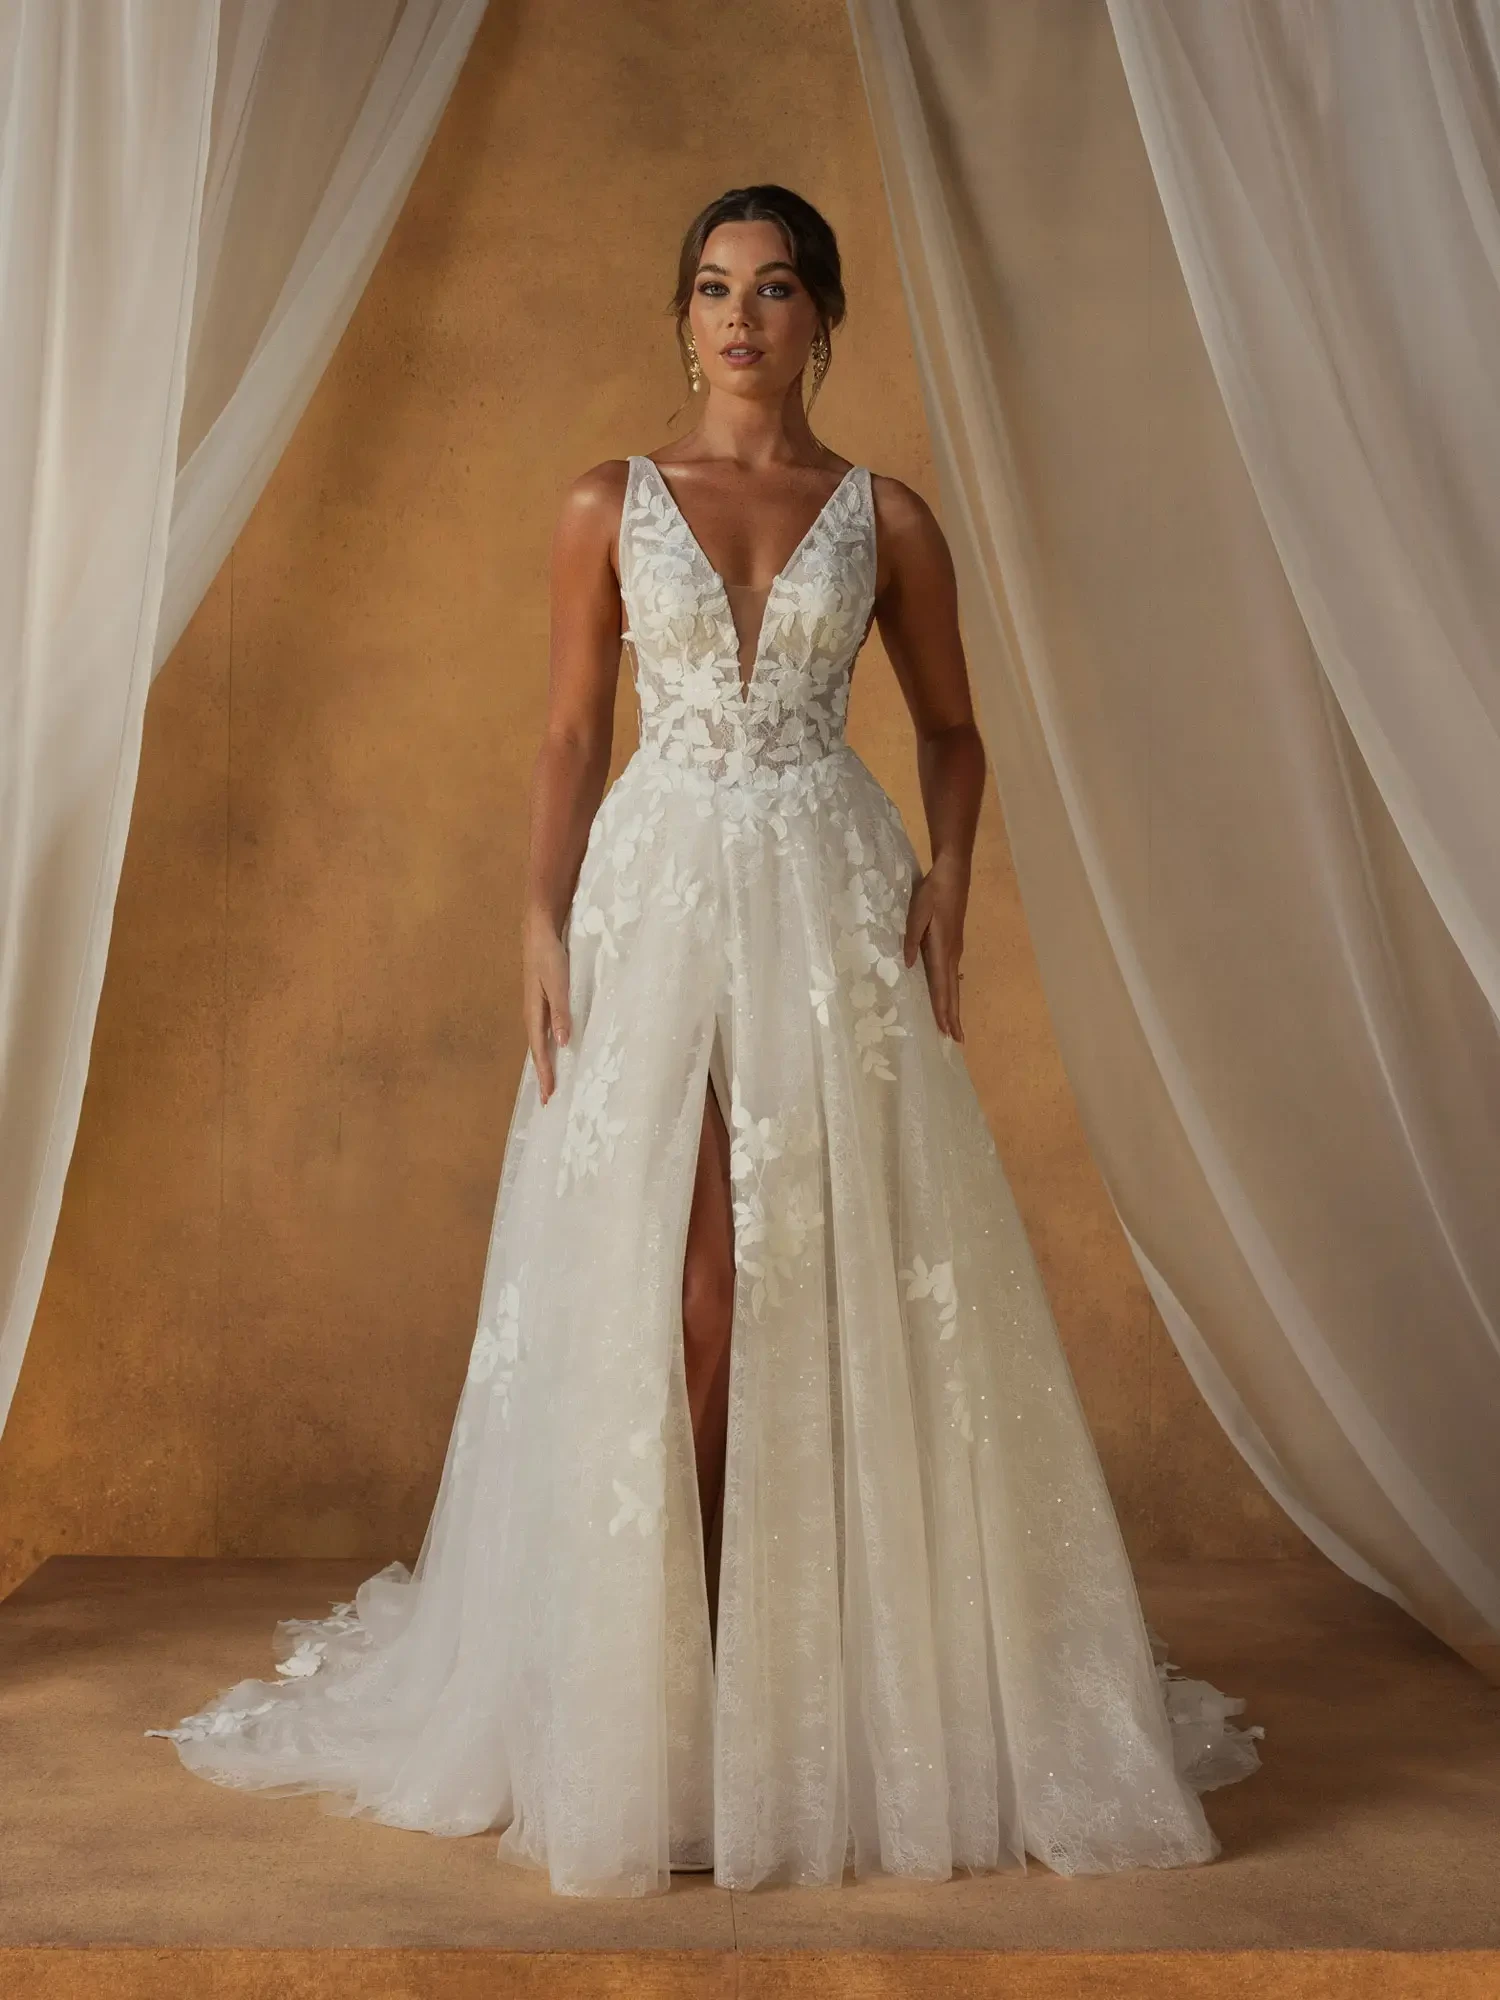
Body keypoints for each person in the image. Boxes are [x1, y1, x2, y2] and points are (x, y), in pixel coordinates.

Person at [148, 183, 1260, 1898]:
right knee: (673, 1283)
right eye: (715, 289)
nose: (741, 317)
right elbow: (570, 728)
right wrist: (534, 911)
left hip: (832, 906)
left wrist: (952, 879)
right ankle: (668, 1669)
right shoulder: (608, 501)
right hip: (655, 898)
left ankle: (790, 1676)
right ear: (682, 318)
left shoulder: (887, 519)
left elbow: (955, 732)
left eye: (779, 288)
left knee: (812, 1274)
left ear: (825, 320)